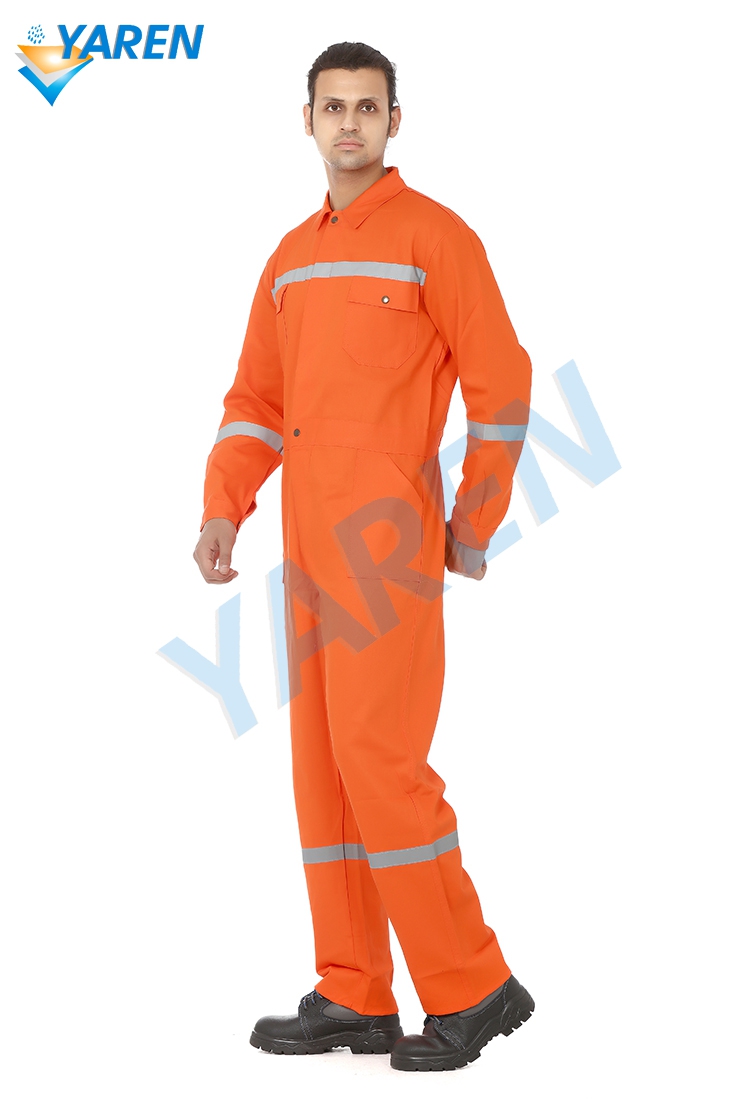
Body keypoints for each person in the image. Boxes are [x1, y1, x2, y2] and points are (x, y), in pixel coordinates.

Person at [193, 41, 534, 1073]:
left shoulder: (437, 237)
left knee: (381, 764)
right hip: (306, 542)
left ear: (394, 121)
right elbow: (256, 401)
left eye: (368, 107)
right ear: (307, 120)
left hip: (386, 543)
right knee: (326, 773)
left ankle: (474, 985)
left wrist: (473, 520)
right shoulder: (290, 258)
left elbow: (502, 383)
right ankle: (354, 990)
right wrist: (223, 506)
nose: (350, 123)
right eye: (333, 107)